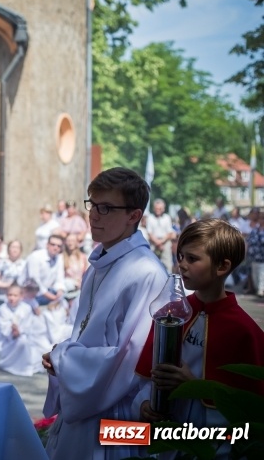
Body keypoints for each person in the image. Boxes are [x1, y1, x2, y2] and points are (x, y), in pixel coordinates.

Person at [41, 167, 168, 460]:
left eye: (106, 207)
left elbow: (131, 357)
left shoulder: (146, 272)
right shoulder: (99, 264)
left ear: (134, 216)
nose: (93, 215)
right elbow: (87, 333)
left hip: (115, 414)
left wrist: (64, 358)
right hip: (85, 399)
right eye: (92, 204)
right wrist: (62, 361)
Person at [135, 219, 264, 457]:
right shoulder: (171, 314)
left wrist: (194, 387)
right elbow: (146, 379)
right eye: (181, 256)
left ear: (222, 267)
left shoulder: (243, 330)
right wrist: (144, 404)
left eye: (192, 259)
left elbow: (248, 412)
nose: (182, 264)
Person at [0, 283, 44, 377]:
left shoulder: (26, 308)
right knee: (19, 342)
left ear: (21, 296)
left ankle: (24, 366)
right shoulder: (3, 309)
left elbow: (29, 325)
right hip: (8, 340)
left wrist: (19, 330)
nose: (12, 298)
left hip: (23, 336)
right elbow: (3, 326)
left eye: (15, 295)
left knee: (23, 342)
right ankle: (9, 363)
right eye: (10, 295)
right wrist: (12, 331)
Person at [21, 234, 66, 306]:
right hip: (28, 294)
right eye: (53, 244)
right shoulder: (35, 256)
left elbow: (59, 279)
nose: (55, 248)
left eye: (58, 246)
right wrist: (51, 297)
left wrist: (60, 291)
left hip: (47, 292)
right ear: (47, 245)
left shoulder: (59, 258)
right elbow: (34, 282)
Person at [147, 198, 176, 273]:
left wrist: (161, 242)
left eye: (160, 208)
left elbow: (169, 233)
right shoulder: (150, 218)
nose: (158, 210)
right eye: (156, 208)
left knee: (167, 265)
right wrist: (157, 243)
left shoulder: (167, 217)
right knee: (152, 264)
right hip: (153, 243)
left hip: (165, 243)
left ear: (163, 209)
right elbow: (149, 233)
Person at [0, 239, 26, 303]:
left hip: (20, 300)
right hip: (3, 298)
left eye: (17, 248)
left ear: (21, 250)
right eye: (13, 247)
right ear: (8, 249)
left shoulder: (25, 265)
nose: (15, 250)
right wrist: (6, 285)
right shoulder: (2, 263)